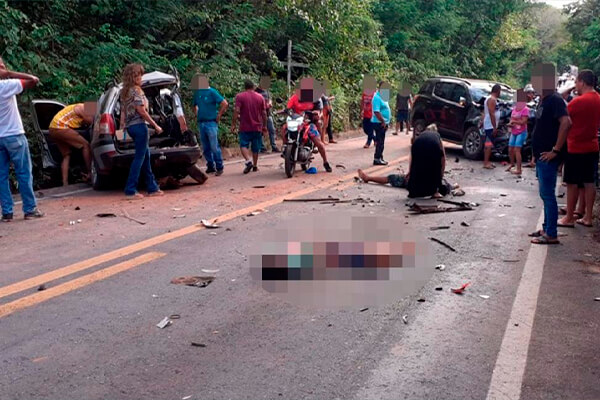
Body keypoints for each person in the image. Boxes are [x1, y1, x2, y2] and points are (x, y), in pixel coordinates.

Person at [529, 64, 571, 245]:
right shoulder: (544, 100)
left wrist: (556, 150)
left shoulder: (555, 99)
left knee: (548, 195)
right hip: (540, 155)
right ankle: (547, 227)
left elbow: (566, 123)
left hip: (548, 156)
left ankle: (551, 233)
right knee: (544, 194)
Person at [0, 57, 44, 221]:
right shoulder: (6, 85)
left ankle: (7, 212)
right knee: (24, 173)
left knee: (1, 177)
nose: (3, 66)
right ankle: (30, 209)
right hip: (14, 135)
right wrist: (9, 73)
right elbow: (33, 79)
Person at [357, 126, 457, 198]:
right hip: (431, 185)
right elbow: (443, 159)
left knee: (391, 178)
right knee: (444, 185)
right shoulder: (437, 138)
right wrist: (440, 178)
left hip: (415, 183)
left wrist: (410, 172)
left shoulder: (420, 139)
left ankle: (368, 178)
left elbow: (413, 156)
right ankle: (447, 188)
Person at [557, 70, 600, 228]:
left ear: (582, 82)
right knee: (589, 182)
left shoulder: (578, 102)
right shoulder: (598, 99)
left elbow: (558, 107)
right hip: (592, 146)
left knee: (572, 183)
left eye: (576, 82)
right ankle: (587, 216)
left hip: (575, 146)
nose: (575, 85)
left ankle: (569, 217)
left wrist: (568, 90)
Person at [120, 63, 164, 199]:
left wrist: (123, 126)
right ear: (135, 76)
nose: (141, 78)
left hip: (131, 127)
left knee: (145, 156)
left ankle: (152, 187)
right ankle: (130, 190)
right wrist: (155, 125)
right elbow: (141, 111)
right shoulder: (137, 91)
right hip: (139, 126)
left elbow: (123, 112)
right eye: (140, 75)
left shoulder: (125, 92)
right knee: (139, 158)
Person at [283, 88, 333, 173]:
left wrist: (316, 114)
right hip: (296, 122)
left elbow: (319, 111)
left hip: (308, 123)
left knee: (318, 143)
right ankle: (285, 147)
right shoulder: (294, 98)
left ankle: (325, 162)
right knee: (284, 128)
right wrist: (285, 111)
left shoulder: (315, 99)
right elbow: (288, 108)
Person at [48, 103, 94, 186]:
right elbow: (91, 122)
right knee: (85, 145)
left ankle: (65, 183)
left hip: (52, 128)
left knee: (66, 155)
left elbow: (83, 122)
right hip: (60, 127)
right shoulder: (82, 108)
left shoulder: (78, 107)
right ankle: (90, 172)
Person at [192, 75, 228, 176]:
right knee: (206, 146)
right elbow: (194, 105)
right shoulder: (198, 93)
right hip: (202, 122)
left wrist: (219, 115)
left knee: (213, 146)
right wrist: (197, 114)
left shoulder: (212, 92)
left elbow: (224, 103)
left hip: (211, 122)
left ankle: (219, 166)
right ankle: (210, 165)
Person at [231, 80, 268, 174]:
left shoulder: (240, 96)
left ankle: (248, 161)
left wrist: (233, 124)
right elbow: (264, 113)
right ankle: (255, 166)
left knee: (243, 145)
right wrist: (265, 126)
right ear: (253, 86)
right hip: (257, 126)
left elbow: (236, 110)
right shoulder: (260, 97)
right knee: (255, 147)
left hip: (245, 126)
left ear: (245, 87)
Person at [506, 94, 529, 175]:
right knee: (510, 149)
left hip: (521, 131)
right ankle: (512, 164)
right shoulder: (515, 109)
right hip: (514, 130)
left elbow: (523, 121)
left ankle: (519, 169)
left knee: (517, 150)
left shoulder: (525, 109)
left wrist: (514, 122)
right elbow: (512, 119)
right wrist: (510, 124)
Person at [255, 78, 279, 153]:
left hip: (268, 114)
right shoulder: (256, 92)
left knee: (272, 130)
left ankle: (274, 146)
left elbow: (270, 98)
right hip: (259, 114)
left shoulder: (267, 91)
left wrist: (270, 103)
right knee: (260, 131)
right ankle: (262, 147)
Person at [371, 81, 391, 165]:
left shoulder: (383, 97)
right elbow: (376, 111)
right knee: (380, 141)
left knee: (381, 141)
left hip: (383, 122)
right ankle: (377, 158)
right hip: (379, 122)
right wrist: (383, 121)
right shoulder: (377, 98)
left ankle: (380, 157)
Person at [483, 84, 502, 169]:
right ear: (498, 91)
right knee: (489, 144)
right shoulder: (492, 100)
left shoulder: (491, 99)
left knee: (488, 143)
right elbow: (491, 113)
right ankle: (486, 162)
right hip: (490, 125)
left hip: (489, 124)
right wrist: (494, 127)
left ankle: (487, 161)